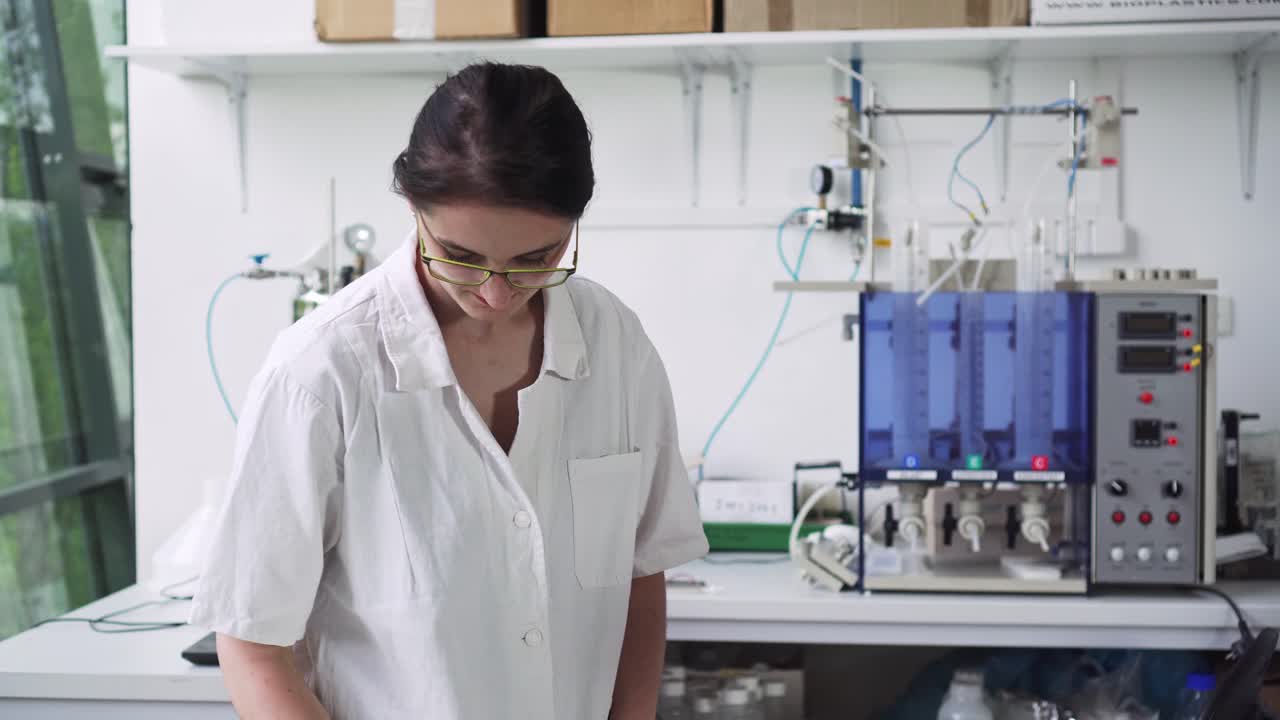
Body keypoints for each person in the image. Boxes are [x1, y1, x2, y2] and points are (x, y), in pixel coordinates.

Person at [190, 62, 709, 719]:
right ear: (412, 206)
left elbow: (640, 571)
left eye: (535, 260)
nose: (495, 294)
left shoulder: (614, 345)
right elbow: (253, 640)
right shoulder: (322, 371)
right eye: (460, 256)